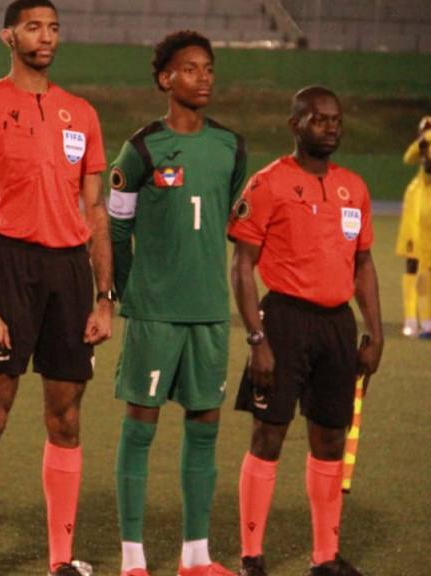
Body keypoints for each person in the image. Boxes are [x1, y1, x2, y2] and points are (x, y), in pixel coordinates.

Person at [0, 1, 113, 574]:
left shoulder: (81, 114)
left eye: (53, 28)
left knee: (66, 417)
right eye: (34, 27)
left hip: (70, 273)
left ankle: (61, 560)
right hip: (11, 265)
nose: (46, 37)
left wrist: (104, 297)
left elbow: (96, 211)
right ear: (9, 36)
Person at [230, 86, 383, 576]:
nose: (330, 127)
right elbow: (242, 265)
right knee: (268, 435)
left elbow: (363, 264)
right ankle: (251, 555)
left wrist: (375, 332)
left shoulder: (354, 188)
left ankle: (325, 557)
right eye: (319, 119)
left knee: (331, 440)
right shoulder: (268, 183)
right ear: (295, 124)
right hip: (284, 321)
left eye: (336, 119)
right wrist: (257, 339)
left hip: (337, 325)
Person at [108, 31, 245, 576]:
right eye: (190, 69)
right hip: (155, 313)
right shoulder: (140, 148)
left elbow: (225, 218)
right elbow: (116, 228)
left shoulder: (231, 146)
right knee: (140, 428)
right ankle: (132, 560)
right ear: (166, 78)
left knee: (205, 428)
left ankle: (196, 556)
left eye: (208, 68)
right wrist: (128, 293)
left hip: (210, 312)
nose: (203, 77)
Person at [395, 116, 431, 338]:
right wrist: (422, 142)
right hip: (417, 212)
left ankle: (426, 320)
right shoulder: (423, 148)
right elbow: (409, 157)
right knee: (413, 263)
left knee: (427, 269)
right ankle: (411, 319)